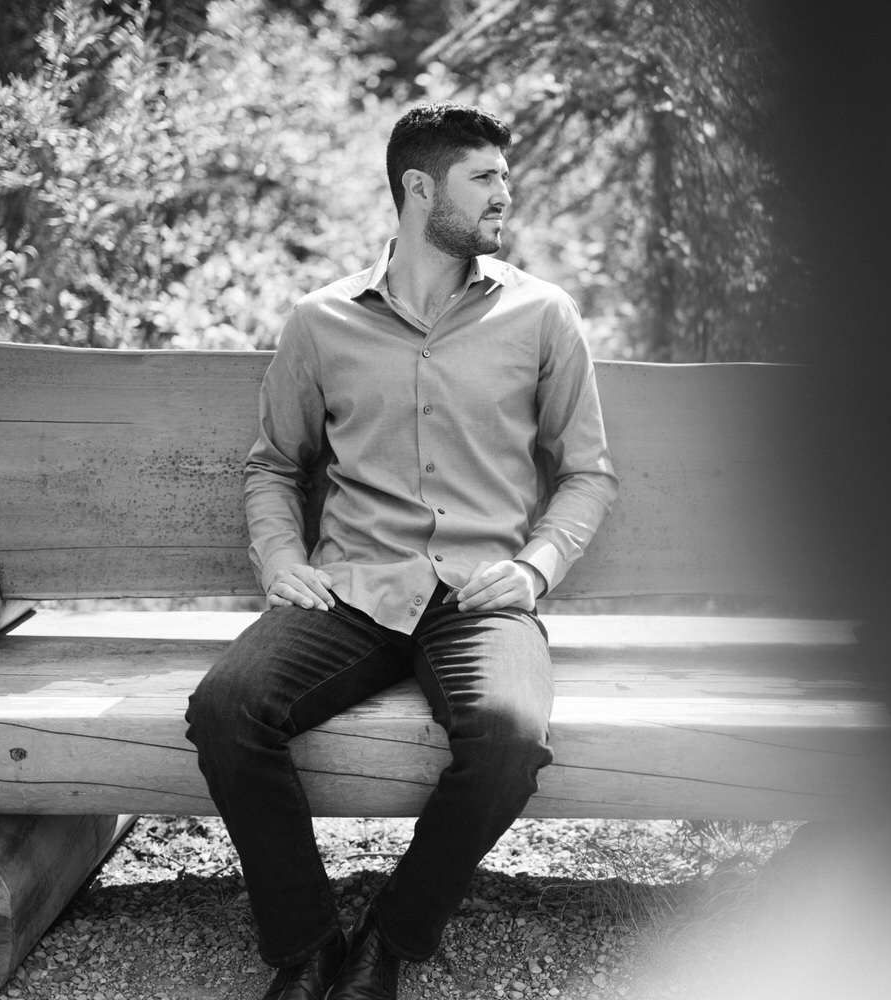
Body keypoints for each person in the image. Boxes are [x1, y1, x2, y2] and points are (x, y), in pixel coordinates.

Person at [185, 102, 618, 1000]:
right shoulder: (320, 321)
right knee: (227, 708)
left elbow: (589, 475)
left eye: (506, 175)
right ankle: (305, 947)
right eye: (485, 178)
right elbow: (274, 464)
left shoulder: (544, 316)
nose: (508, 192)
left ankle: (390, 939)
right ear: (420, 189)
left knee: (508, 739)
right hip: (350, 590)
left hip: (480, 592)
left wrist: (535, 568)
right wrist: (279, 558)